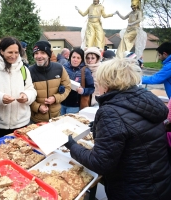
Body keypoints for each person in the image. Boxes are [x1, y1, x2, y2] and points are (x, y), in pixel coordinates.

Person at [64, 58, 171, 199]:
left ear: (106, 83)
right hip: (159, 181)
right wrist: (98, 127)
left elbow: (100, 163)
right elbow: (132, 131)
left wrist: (72, 146)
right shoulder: (147, 98)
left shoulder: (111, 111)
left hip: (133, 190)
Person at [0, 37, 37, 138]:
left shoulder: (24, 69)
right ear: (1, 51)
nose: (14, 56)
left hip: (22, 123)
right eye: (10, 52)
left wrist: (27, 96)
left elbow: (31, 90)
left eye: (16, 52)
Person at [29, 41, 71, 123]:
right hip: (36, 120)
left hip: (56, 117)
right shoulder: (29, 72)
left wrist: (55, 98)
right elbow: (25, 95)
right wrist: (37, 107)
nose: (39, 56)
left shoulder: (59, 68)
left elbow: (67, 87)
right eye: (36, 53)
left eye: (43, 53)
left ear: (48, 55)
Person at [61, 48, 94, 114]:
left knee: (70, 123)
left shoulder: (85, 71)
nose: (75, 60)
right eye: (73, 57)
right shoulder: (64, 67)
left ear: (81, 59)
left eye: (78, 58)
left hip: (75, 105)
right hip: (61, 102)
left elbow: (91, 88)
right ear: (70, 57)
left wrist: (83, 91)